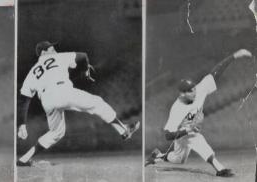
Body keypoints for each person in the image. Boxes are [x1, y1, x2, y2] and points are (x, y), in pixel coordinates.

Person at [17, 41, 140, 166]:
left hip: (47, 101)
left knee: (56, 132)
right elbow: (83, 56)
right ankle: (124, 131)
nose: (55, 51)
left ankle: (24, 159)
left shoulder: (32, 72)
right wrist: (86, 69)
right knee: (98, 103)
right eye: (52, 49)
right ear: (44, 53)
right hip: (63, 91)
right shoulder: (58, 57)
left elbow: (24, 99)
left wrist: (21, 123)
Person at [144, 49, 253, 177]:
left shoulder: (199, 90)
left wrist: (234, 56)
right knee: (190, 149)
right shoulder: (177, 109)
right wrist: (187, 130)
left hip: (190, 131)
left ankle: (158, 156)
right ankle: (219, 169)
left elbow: (216, 72)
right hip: (181, 134)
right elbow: (167, 135)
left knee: (182, 158)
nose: (194, 92)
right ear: (182, 94)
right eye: (191, 91)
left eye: (194, 89)